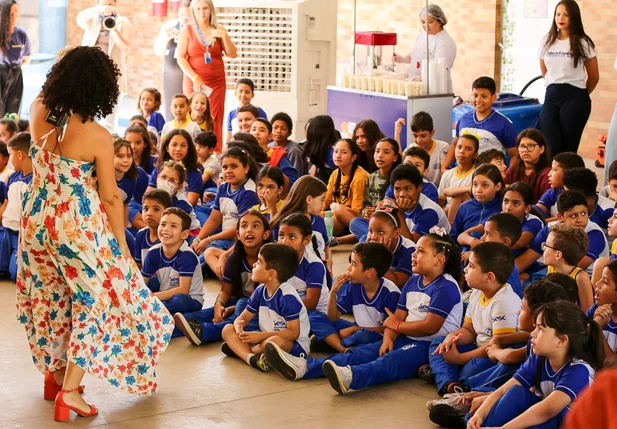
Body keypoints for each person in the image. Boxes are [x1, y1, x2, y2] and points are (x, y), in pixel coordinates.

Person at [17, 46, 173, 420]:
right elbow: (109, 196)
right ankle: (69, 392)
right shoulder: (98, 135)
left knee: (50, 298)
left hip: (37, 219)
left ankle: (55, 376)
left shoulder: (39, 109)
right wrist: (121, 243)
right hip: (77, 226)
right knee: (98, 302)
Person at [265, 230, 463, 393]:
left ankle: (352, 377)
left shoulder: (445, 286)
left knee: (388, 362)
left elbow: (430, 327)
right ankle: (304, 367)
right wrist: (388, 338)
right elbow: (396, 318)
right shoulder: (414, 281)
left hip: (429, 345)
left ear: (439, 260)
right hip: (405, 337)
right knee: (362, 353)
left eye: (420, 251)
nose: (413, 254)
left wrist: (397, 327)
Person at [468, 301, 603, 429]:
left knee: (535, 419)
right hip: (546, 419)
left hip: (567, 423)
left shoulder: (579, 370)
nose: (532, 334)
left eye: (540, 329)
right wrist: (480, 414)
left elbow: (547, 410)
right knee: (516, 393)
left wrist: (504, 428)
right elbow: (503, 391)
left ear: (562, 340)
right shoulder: (539, 359)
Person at [427, 242, 521, 395]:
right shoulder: (477, 292)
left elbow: (498, 345)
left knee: (471, 371)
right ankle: (449, 384)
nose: (464, 269)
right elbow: (469, 329)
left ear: (489, 277)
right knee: (439, 344)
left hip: (493, 355)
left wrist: (460, 358)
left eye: (471, 266)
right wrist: (453, 337)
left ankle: (449, 376)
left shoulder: (504, 301)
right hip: (478, 347)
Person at [174, 210, 273, 346]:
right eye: (244, 226)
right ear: (238, 234)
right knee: (210, 313)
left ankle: (206, 332)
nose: (249, 230)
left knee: (238, 309)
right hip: (239, 301)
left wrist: (231, 309)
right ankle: (165, 326)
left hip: (264, 307)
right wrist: (218, 305)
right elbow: (225, 291)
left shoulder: (270, 259)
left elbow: (262, 298)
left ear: (266, 234)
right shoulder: (234, 258)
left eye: (255, 226)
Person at [221, 243, 309, 372]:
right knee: (227, 329)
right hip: (264, 338)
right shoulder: (260, 290)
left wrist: (260, 337)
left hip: (293, 345)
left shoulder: (287, 297)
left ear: (271, 275)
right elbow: (243, 317)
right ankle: (253, 359)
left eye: (259, 262)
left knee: (273, 342)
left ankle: (244, 351)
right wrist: (239, 327)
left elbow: (293, 333)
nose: (254, 265)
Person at [310, 242, 400, 353]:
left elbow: (391, 328)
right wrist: (333, 293)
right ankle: (344, 349)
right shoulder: (354, 286)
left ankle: (334, 341)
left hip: (376, 335)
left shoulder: (391, 293)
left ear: (370, 273)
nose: (348, 267)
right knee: (314, 316)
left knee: (363, 336)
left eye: (353, 264)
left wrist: (355, 329)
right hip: (357, 328)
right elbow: (332, 317)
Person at [538, 0, 599, 155]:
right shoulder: (546, 40)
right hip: (551, 96)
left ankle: (568, 179)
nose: (561, 18)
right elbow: (545, 72)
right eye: (558, 14)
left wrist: (580, 96)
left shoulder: (583, 42)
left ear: (574, 17)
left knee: (567, 150)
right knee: (550, 146)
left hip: (575, 97)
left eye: (566, 14)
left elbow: (593, 76)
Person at [177, 0, 237, 150]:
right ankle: (191, 149)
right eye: (198, 9)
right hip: (195, 81)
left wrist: (223, 36)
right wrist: (195, 77)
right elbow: (180, 58)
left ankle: (213, 151)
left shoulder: (219, 29)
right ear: (193, 11)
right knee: (193, 114)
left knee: (215, 117)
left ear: (211, 10)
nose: (202, 12)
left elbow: (233, 54)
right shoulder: (187, 30)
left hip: (216, 82)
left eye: (205, 8)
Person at [76, 0, 133, 133]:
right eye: (104, 5)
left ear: (116, 4)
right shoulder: (92, 20)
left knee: (110, 117)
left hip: (111, 75)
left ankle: (108, 144)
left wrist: (113, 30)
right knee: (86, 111)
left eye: (110, 5)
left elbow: (125, 47)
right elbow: (79, 18)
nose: (108, 9)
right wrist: (99, 9)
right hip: (90, 72)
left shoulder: (123, 22)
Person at [442, 77, 518, 171]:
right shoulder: (463, 120)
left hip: (488, 178)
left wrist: (507, 176)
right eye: (475, 95)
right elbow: (454, 144)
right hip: (462, 175)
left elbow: (515, 155)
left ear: (493, 98)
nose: (478, 100)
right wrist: (444, 167)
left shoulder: (504, 124)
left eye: (484, 96)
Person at [142, 207, 204, 317]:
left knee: (179, 300)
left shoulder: (187, 255)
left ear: (184, 234)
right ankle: (154, 310)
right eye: (163, 224)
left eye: (173, 226)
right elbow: (142, 281)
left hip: (190, 299)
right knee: (150, 282)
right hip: (164, 294)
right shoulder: (153, 252)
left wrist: (151, 298)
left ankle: (153, 311)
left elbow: (183, 290)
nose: (166, 229)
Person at [395, 4, 456, 93]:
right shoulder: (422, 35)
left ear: (440, 21)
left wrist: (422, 77)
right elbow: (415, 55)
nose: (425, 26)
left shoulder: (445, 42)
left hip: (433, 90)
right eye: (423, 22)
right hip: (415, 87)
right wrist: (403, 59)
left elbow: (440, 69)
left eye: (430, 22)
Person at [154, 0, 192, 121]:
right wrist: (167, 37)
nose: (184, 20)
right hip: (170, 76)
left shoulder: (196, 29)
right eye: (181, 16)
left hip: (189, 76)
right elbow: (158, 51)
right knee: (172, 110)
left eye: (188, 17)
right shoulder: (169, 26)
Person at [0, 131, 30, 280]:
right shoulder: (12, 177)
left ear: (19, 155)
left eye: (10, 155)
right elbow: (6, 203)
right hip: (6, 229)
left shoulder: (34, 182)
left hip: (21, 234)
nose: (10, 159)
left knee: (14, 274)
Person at [543, 223, 593, 311]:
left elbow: (587, 312)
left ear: (558, 255)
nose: (543, 248)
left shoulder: (580, 277)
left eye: (546, 245)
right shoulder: (552, 268)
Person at [394, 111, 449, 186]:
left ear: (432, 133)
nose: (419, 140)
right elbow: (399, 161)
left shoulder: (443, 147)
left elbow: (445, 174)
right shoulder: (412, 147)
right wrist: (397, 133)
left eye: (423, 136)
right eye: (415, 136)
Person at [0, 0, 29, 117]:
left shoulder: (21, 34)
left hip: (16, 73)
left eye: (16, 14)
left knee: (13, 110)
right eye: (11, 14)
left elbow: (26, 59)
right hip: (1, 72)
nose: (14, 17)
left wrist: (16, 69)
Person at [505, 128, 551, 202]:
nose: (525, 150)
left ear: (542, 149)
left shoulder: (547, 174)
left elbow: (546, 205)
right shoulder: (513, 170)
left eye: (531, 146)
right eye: (522, 146)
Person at [133, 189, 172, 268]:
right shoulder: (141, 235)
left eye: (156, 209)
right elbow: (138, 265)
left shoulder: (170, 236)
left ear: (167, 212)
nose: (149, 213)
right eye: (146, 209)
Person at [270, 112, 307, 176]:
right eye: (275, 127)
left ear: (289, 133)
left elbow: (296, 176)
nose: (278, 131)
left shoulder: (294, 151)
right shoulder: (269, 147)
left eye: (283, 129)